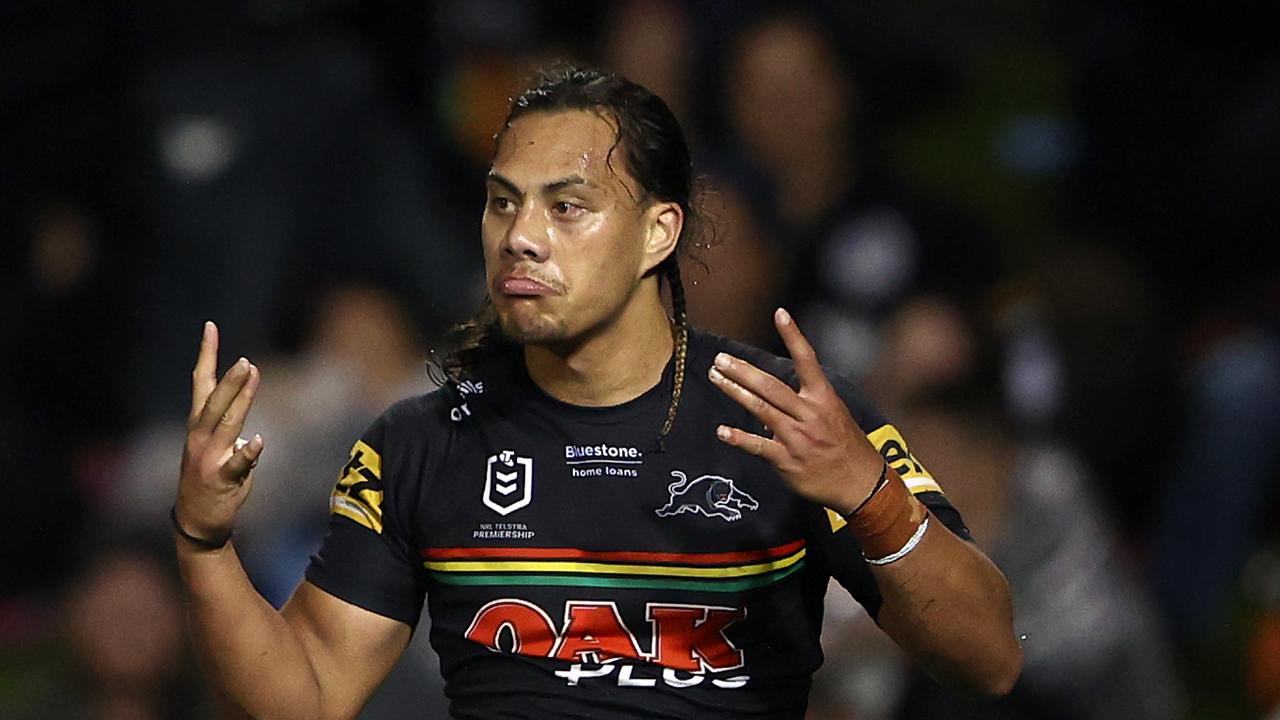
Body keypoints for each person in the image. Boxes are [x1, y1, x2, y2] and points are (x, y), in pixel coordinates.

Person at [173, 66, 1020, 719]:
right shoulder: (419, 445)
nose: (521, 238)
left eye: (566, 207)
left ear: (660, 231)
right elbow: (308, 694)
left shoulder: (794, 420)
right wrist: (207, 545)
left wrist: (870, 497)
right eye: (502, 204)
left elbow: (988, 661)